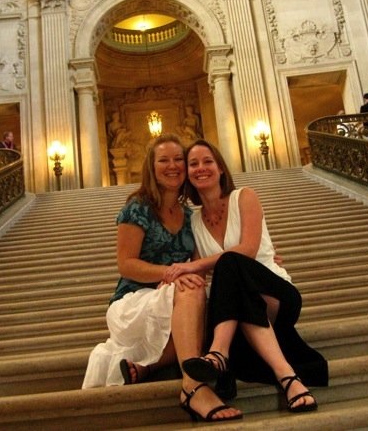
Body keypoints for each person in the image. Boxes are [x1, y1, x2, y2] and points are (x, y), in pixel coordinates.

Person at [82, 134, 242, 423]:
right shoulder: (138, 207)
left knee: (219, 310)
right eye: (164, 160)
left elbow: (198, 263)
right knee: (191, 291)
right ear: (151, 167)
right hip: (135, 299)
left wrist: (259, 261)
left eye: (179, 159)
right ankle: (194, 387)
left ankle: (146, 367)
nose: (173, 165)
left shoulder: (189, 215)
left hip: (175, 296)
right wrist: (171, 274)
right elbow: (126, 264)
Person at [164, 139, 328, 413]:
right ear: (188, 174)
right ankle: (289, 379)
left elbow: (248, 251)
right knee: (233, 280)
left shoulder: (245, 196)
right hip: (239, 305)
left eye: (207, 161)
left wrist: (193, 266)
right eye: (193, 164)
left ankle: (218, 352)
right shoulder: (191, 221)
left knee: (231, 260)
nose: (200, 168)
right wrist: (181, 276)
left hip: (275, 292)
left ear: (220, 169)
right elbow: (201, 275)